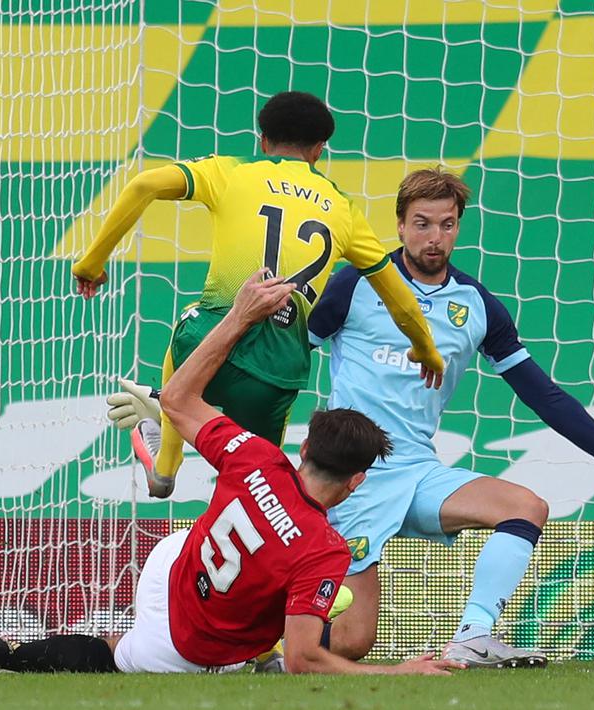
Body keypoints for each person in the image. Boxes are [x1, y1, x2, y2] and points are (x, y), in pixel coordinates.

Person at [0, 270, 463, 676]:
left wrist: (239, 314)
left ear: (305, 445)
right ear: (357, 482)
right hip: (185, 638)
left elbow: (180, 395)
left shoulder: (257, 455)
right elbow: (309, 658)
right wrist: (402, 667)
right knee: (111, 656)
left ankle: (161, 461)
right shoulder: (324, 550)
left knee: (238, 569)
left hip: (170, 562)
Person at [307, 169, 594, 668]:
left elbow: (544, 396)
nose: (435, 238)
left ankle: (473, 638)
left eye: (447, 225)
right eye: (422, 224)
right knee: (349, 642)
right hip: (352, 476)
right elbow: (290, 358)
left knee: (525, 506)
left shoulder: (476, 305)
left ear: (459, 225)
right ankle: (256, 646)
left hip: (417, 470)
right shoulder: (355, 285)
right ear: (401, 225)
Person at [74, 90, 443, 500]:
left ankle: (166, 462)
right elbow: (400, 298)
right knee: (258, 485)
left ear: (263, 140)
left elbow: (144, 185)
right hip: (277, 372)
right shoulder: (342, 208)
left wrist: (91, 264)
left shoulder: (231, 171)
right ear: (320, 151)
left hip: (210, 346)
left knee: (191, 317)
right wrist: (426, 349)